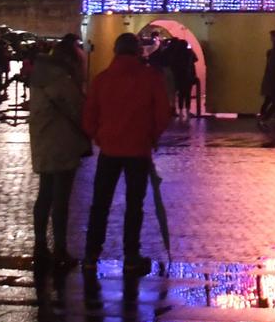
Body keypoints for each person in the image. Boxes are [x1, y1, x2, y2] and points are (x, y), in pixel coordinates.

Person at [82, 34, 173, 273]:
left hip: (109, 149)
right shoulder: (150, 78)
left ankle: (91, 254)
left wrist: (99, 136)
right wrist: (151, 136)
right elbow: (163, 113)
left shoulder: (102, 79)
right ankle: (131, 256)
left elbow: (89, 114)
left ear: (115, 50)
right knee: (135, 205)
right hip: (138, 149)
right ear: (137, 52)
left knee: (100, 203)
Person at [27, 36, 90, 268]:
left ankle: (41, 245)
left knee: (45, 194)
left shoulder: (43, 74)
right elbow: (76, 107)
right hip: (60, 141)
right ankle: (59, 249)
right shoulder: (59, 79)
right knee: (61, 198)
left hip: (45, 140)